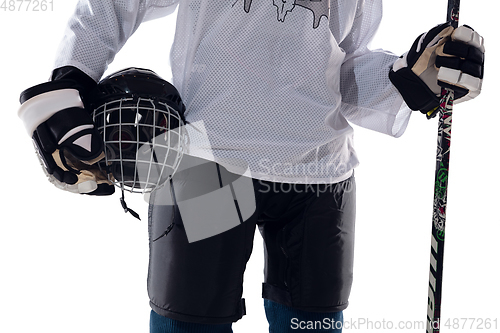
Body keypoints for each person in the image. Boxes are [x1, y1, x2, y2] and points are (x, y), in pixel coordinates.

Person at [17, 0, 484, 332]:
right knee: (190, 321)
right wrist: (72, 79)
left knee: (313, 326)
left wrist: (410, 78)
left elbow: (342, 67)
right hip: (207, 162)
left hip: (319, 174)